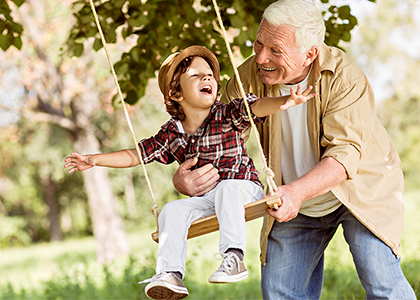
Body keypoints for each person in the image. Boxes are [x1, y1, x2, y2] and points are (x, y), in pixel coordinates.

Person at [172, 1, 417, 299]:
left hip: (359, 190)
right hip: (291, 198)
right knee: (280, 293)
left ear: (310, 54)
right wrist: (188, 178)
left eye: (276, 50)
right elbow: (217, 139)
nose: (261, 57)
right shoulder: (246, 79)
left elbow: (345, 154)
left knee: (383, 284)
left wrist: (298, 192)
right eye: (259, 42)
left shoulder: (344, 77)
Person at [64, 45, 315, 300]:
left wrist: (285, 101)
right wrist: (94, 160)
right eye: (196, 76)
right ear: (176, 93)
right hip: (208, 199)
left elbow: (258, 107)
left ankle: (233, 257)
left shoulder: (227, 114)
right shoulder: (171, 133)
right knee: (172, 210)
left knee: (227, 189)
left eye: (209, 75)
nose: (207, 78)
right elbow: (136, 155)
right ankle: (170, 274)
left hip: (242, 189)